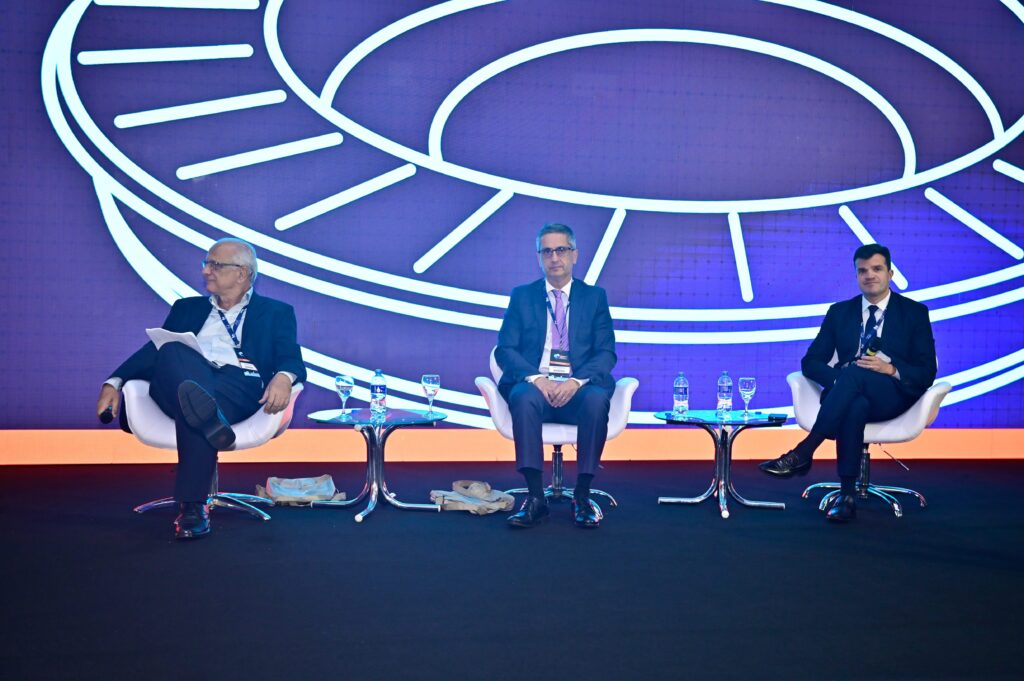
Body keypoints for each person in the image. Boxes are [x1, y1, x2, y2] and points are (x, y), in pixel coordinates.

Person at [96, 238, 306, 540]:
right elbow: (152, 352)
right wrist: (114, 381)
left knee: (194, 406)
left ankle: (195, 495)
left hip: (238, 386)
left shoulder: (276, 312)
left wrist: (284, 377)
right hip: (182, 380)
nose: (206, 271)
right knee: (173, 353)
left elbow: (290, 356)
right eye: (206, 264)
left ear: (242, 273)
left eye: (215, 265)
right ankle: (195, 499)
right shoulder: (186, 308)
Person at [759, 244, 936, 522]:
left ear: (890, 274)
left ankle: (804, 452)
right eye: (862, 271)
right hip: (849, 395)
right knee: (855, 402)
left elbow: (926, 371)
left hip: (893, 395)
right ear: (856, 276)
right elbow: (811, 362)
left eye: (877, 269)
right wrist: (841, 379)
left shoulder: (914, 313)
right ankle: (847, 496)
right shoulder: (839, 312)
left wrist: (890, 369)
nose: (870, 275)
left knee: (854, 379)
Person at [496, 223, 617, 529]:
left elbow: (606, 353)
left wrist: (576, 382)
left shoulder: (595, 297)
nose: (554, 257)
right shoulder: (522, 296)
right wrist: (537, 379)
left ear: (575, 254)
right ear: (539, 257)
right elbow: (505, 349)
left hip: (578, 390)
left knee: (596, 399)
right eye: (547, 251)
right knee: (522, 396)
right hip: (537, 389)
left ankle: (582, 495)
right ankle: (536, 498)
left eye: (561, 250)